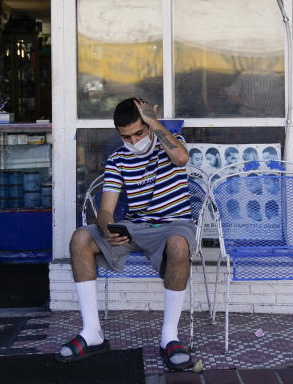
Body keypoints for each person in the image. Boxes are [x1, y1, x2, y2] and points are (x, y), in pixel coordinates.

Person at [59, 98, 195, 370]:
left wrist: (154, 123)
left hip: (174, 224)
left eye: (139, 133)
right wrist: (107, 229)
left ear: (148, 124)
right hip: (136, 226)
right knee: (80, 238)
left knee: (179, 245)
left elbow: (181, 158)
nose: (133, 141)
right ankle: (92, 333)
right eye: (126, 137)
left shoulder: (170, 141)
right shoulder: (118, 159)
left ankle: (169, 337)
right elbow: (106, 209)